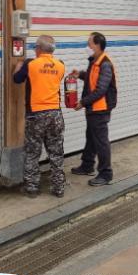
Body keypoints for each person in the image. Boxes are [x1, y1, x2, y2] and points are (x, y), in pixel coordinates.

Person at [13, 35, 66, 198]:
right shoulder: (60, 65)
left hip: (36, 115)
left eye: (35, 47)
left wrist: (18, 66)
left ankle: (32, 188)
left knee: (32, 152)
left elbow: (17, 79)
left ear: (39, 49)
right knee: (56, 152)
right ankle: (58, 188)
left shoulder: (30, 64)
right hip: (55, 114)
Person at [69, 32, 117, 186]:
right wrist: (80, 74)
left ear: (97, 45)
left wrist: (83, 102)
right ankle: (87, 165)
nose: (87, 46)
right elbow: (92, 79)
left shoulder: (105, 63)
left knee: (101, 142)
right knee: (91, 137)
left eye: (89, 43)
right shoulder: (94, 61)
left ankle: (106, 174)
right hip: (93, 108)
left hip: (100, 109)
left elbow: (101, 89)